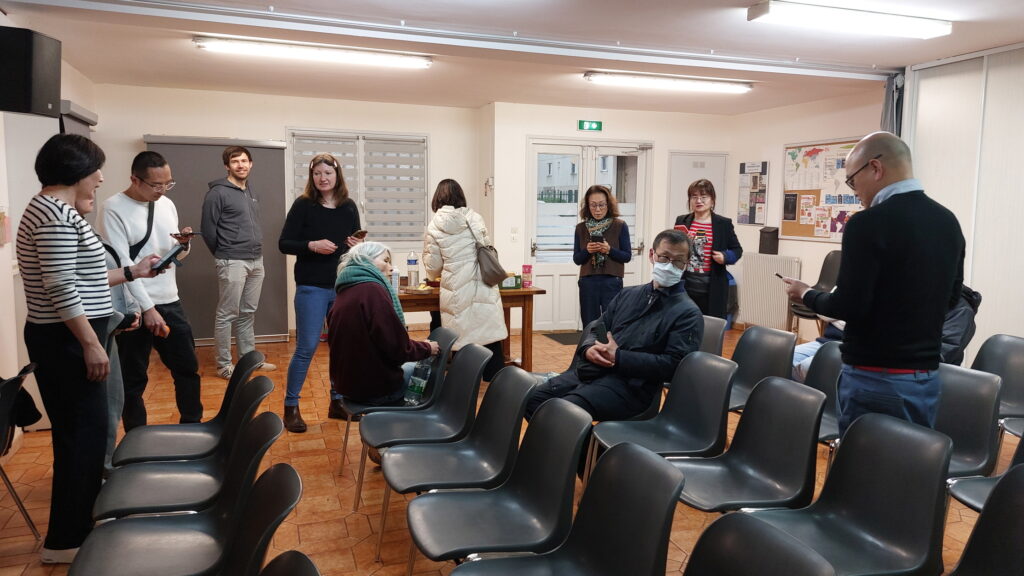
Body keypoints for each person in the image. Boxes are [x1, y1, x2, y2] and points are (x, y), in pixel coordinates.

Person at [16, 134, 161, 563]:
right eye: (95, 170)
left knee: (87, 435)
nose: (99, 178)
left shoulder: (54, 210)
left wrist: (133, 272)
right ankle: (67, 541)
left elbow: (84, 278)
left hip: (71, 338)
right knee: (82, 437)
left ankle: (76, 527)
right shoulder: (55, 215)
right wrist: (91, 343)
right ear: (75, 171)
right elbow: (61, 287)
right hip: (68, 342)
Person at [784, 131, 966, 435]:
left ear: (875, 168)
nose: (855, 191)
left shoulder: (867, 223)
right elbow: (951, 298)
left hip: (875, 377)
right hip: (925, 378)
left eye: (852, 180)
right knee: (909, 460)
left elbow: (848, 306)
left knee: (864, 461)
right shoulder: (948, 221)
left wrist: (807, 294)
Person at [525, 229, 703, 421]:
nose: (669, 265)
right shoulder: (628, 294)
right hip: (595, 373)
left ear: (686, 264)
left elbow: (673, 366)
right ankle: (576, 441)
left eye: (678, 261)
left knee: (564, 411)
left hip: (632, 388)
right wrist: (588, 348)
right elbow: (598, 327)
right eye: (664, 257)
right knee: (534, 400)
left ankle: (577, 440)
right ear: (652, 255)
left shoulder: (687, 313)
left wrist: (618, 357)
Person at [99, 151, 203, 431]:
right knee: (133, 381)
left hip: (169, 299)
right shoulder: (112, 208)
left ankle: (192, 428)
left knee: (187, 369)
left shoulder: (166, 204)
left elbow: (171, 254)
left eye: (168, 183)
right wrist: (147, 308)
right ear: (135, 179)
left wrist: (183, 245)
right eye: (156, 185)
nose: (163, 190)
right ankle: (137, 438)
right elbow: (122, 265)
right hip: (133, 306)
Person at [278, 153, 363, 432]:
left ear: (337, 175)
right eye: (317, 173)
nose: (322, 178)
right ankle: (291, 407)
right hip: (311, 286)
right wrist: (311, 245)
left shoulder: (349, 207)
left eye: (327, 173)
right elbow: (284, 243)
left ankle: (337, 401)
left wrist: (356, 245)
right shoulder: (303, 205)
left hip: (341, 286)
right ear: (311, 177)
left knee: (341, 346)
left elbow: (354, 244)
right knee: (306, 347)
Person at [791, 285, 981, 382]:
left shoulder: (960, 311)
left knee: (810, 368)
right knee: (785, 361)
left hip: (912, 375)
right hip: (861, 352)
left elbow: (939, 355)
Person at [327, 242, 439, 405]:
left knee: (412, 366)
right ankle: (420, 417)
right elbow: (398, 349)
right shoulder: (372, 290)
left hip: (348, 387)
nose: (391, 268)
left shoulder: (346, 289)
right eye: (385, 261)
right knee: (435, 374)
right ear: (365, 260)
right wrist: (427, 348)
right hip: (376, 390)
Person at [201, 145, 276, 379]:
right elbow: (208, 230)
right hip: (232, 260)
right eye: (235, 161)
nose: (240, 165)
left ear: (250, 164)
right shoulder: (217, 193)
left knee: (247, 313)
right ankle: (224, 366)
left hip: (256, 260)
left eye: (244, 161)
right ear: (227, 166)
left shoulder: (250, 190)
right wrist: (224, 253)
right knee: (227, 314)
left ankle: (249, 360)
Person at [423, 179, 508, 381]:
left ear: (437, 199)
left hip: (456, 286)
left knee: (461, 333)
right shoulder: (475, 218)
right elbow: (486, 246)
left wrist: (433, 274)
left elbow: (433, 267)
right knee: (488, 329)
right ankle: (496, 379)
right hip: (482, 280)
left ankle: (465, 380)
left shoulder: (434, 225)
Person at [674, 179, 743, 319]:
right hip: (686, 285)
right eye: (694, 197)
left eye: (703, 197)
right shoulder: (682, 220)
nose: (698, 200)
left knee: (711, 326)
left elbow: (737, 250)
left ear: (712, 200)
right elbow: (674, 247)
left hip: (713, 287)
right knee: (685, 324)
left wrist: (725, 257)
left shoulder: (723, 224)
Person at [573, 185, 632, 328]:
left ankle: (608, 344)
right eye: (593, 205)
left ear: (608, 205)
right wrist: (587, 250)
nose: (597, 210)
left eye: (601, 205)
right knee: (590, 325)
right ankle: (591, 344)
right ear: (587, 206)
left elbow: (627, 256)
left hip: (612, 281)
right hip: (588, 282)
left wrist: (609, 250)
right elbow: (577, 259)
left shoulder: (620, 225)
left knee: (611, 323)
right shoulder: (581, 228)